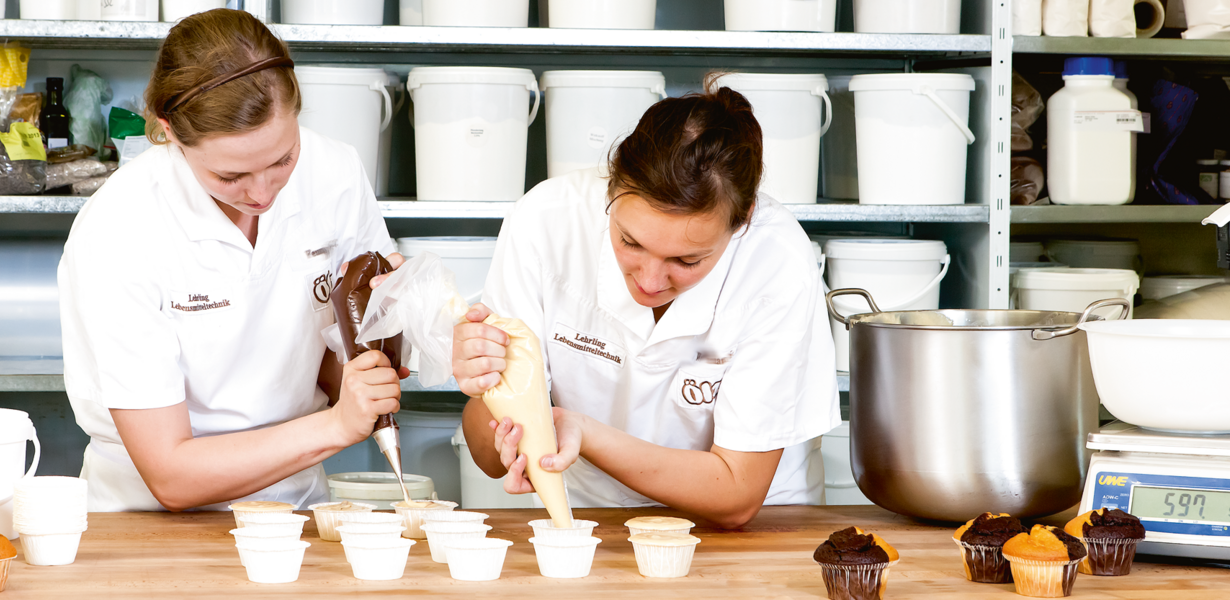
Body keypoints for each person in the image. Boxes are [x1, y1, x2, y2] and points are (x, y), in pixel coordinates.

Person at [58, 9, 404, 512]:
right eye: (230, 175)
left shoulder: (335, 174)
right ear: (169, 131)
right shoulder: (119, 229)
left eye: (283, 159)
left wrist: (402, 323)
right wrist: (337, 425)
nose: (262, 193)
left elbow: (341, 362)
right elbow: (171, 475)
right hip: (147, 523)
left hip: (296, 506)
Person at [454, 81, 841, 529]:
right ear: (611, 189)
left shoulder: (777, 257)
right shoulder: (545, 222)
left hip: (753, 528)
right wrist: (485, 386)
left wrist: (585, 432)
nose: (651, 280)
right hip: (592, 519)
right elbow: (488, 458)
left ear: (743, 219)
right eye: (630, 242)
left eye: (687, 260)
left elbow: (738, 494)